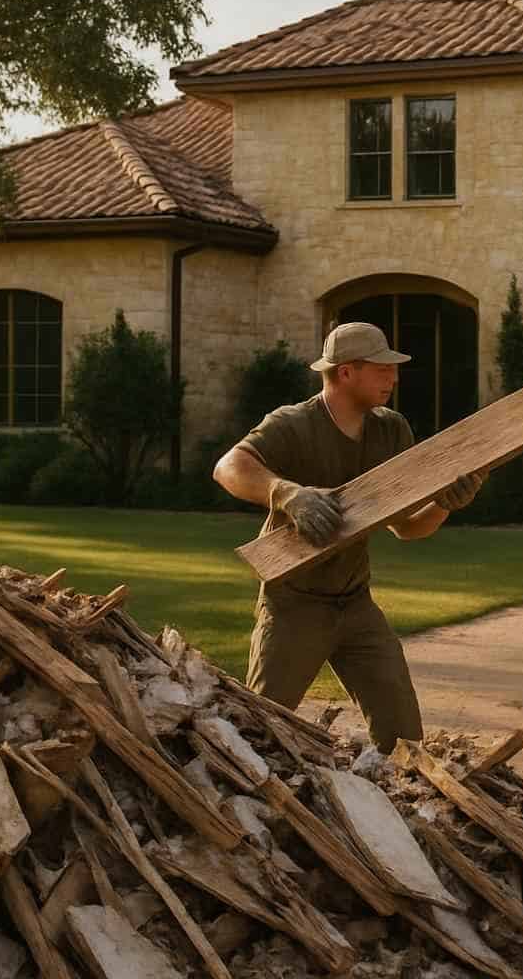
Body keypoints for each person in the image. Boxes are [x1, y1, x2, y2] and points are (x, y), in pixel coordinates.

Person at [212, 321, 485, 752]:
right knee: (259, 734)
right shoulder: (294, 424)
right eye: (381, 369)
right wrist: (286, 493)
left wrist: (444, 504)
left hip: (356, 605)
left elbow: (407, 526)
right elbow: (228, 466)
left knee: (404, 739)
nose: (393, 378)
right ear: (345, 372)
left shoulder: (391, 430)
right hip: (293, 605)